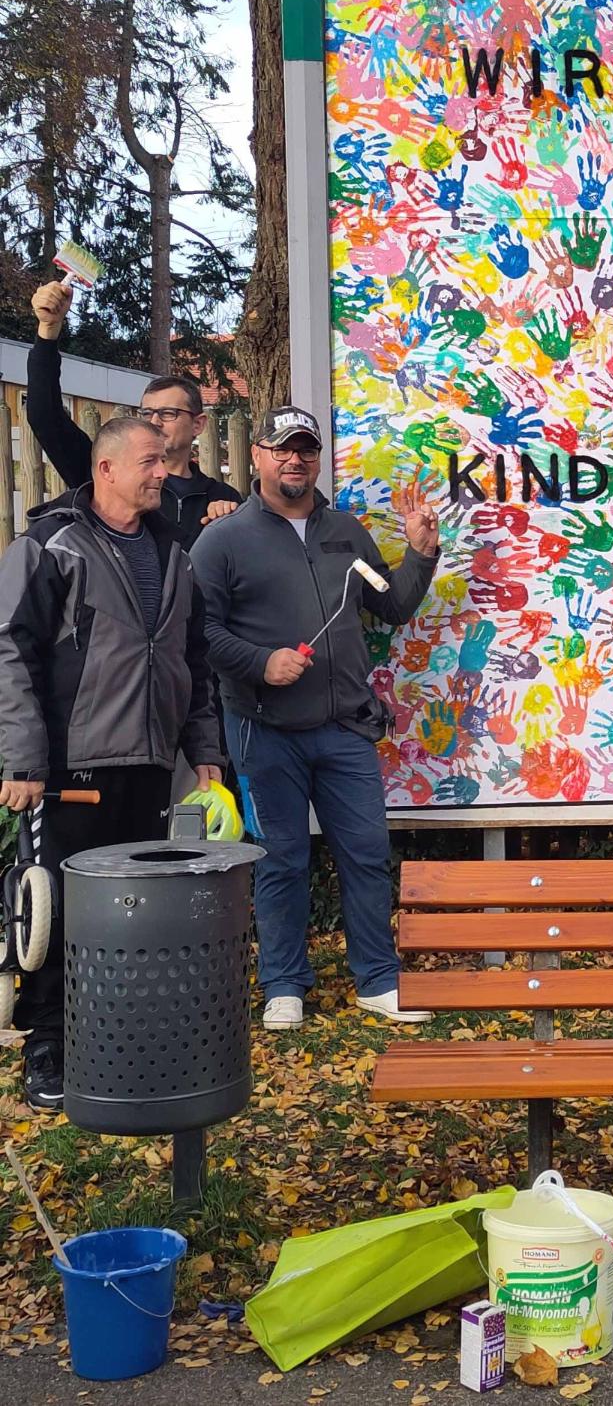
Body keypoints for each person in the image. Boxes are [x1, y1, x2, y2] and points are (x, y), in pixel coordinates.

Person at [191, 407, 440, 1029]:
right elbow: (199, 632)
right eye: (281, 449)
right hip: (262, 728)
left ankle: (378, 979)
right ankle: (282, 984)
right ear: (259, 457)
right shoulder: (222, 539)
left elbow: (392, 608)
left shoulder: (345, 532)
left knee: (365, 852)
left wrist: (420, 555)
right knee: (280, 859)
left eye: (305, 449)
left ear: (317, 458)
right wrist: (259, 661)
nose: (294, 460)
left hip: (345, 728)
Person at [0, 417, 223, 1108]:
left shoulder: (176, 552)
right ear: (107, 469)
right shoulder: (50, 545)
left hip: (153, 766)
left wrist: (206, 752)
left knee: (136, 915)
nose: (166, 472)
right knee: (59, 912)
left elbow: (194, 660)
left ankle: (121, 1041)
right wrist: (23, 760)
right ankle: (47, 1051)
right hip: (70, 772)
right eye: (153, 462)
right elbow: (9, 650)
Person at [28, 281, 241, 546]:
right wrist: (48, 332)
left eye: (168, 413)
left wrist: (230, 520)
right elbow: (45, 417)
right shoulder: (109, 474)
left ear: (198, 424)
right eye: (147, 412)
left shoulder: (222, 497)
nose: (154, 421)